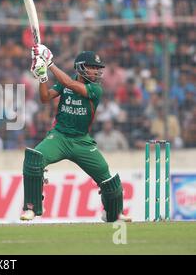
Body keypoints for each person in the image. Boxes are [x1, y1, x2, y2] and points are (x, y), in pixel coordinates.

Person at [20, 45, 131, 223]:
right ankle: (32, 207)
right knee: (34, 159)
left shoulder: (96, 89)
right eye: (92, 67)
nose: (96, 72)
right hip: (59, 137)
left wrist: (50, 64)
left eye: (97, 68)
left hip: (82, 142)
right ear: (80, 67)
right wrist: (42, 77)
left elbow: (71, 84)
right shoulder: (66, 82)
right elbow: (45, 97)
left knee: (108, 178)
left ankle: (113, 213)